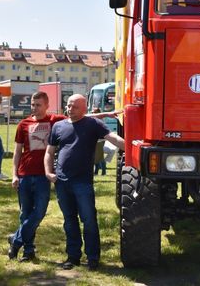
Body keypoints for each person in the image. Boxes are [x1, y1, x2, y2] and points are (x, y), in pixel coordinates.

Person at [44, 94, 125, 271]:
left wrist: (133, 148)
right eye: (68, 106)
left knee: (88, 220)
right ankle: (73, 256)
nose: (70, 109)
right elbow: (49, 152)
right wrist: (49, 172)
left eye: (75, 107)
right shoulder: (58, 126)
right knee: (69, 220)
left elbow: (113, 138)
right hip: (62, 182)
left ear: (85, 109)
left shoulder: (92, 124)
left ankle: (93, 257)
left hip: (83, 183)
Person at [7, 91, 66, 262]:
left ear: (47, 105)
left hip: (43, 176)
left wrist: (106, 114)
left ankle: (16, 240)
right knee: (25, 214)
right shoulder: (23, 124)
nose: (34, 108)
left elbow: (78, 116)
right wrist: (14, 175)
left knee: (39, 212)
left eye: (38, 105)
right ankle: (28, 251)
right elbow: (17, 152)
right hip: (24, 175)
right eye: (32, 105)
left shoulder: (55, 121)